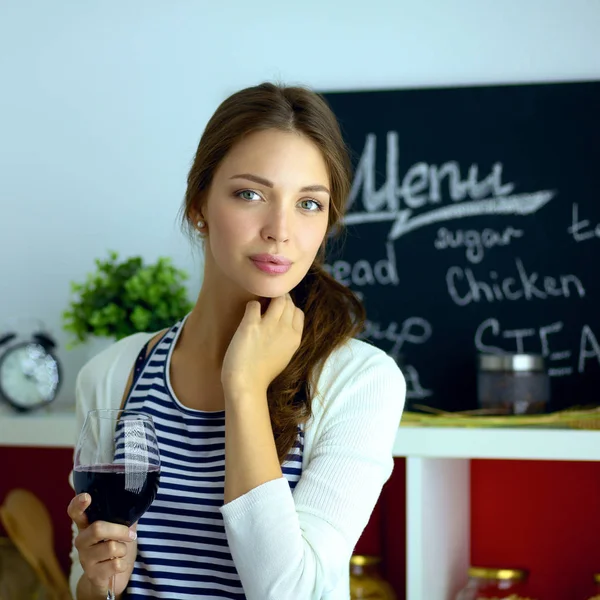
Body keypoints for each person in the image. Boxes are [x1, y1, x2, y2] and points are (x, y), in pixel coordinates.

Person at [67, 81, 406, 600]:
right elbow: (87, 587)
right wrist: (99, 581)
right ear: (199, 203)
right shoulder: (114, 376)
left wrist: (244, 387)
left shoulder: (361, 383)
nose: (280, 230)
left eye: (309, 204)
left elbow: (292, 593)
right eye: (251, 194)